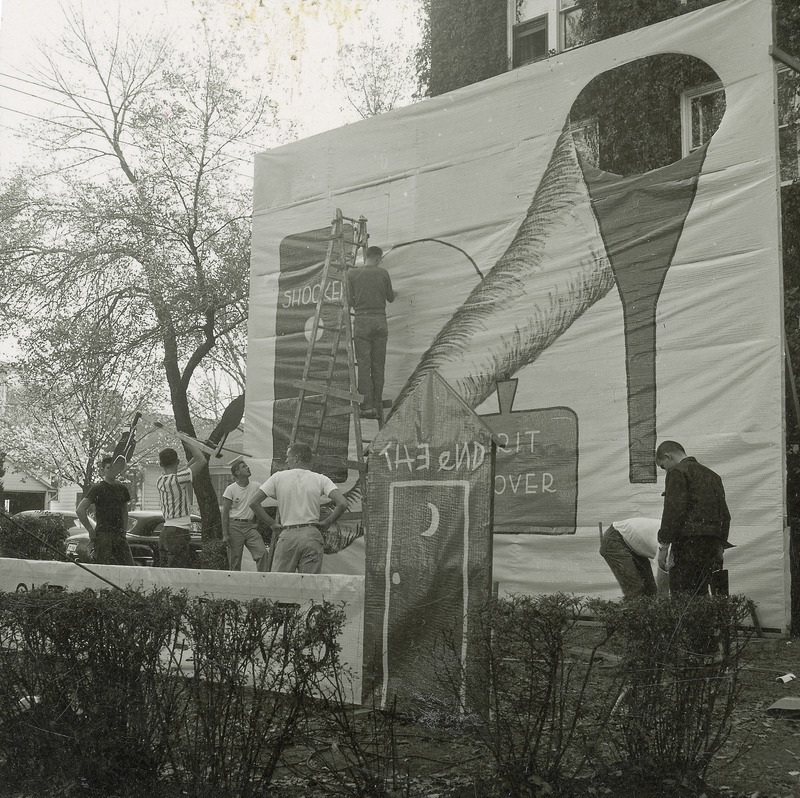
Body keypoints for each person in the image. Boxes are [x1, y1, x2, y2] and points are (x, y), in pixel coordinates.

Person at [248, 442, 348, 574]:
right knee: (309, 584)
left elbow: (253, 502)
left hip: (288, 536)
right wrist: (327, 522)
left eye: (287, 456)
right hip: (311, 535)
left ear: (296, 458)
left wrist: (272, 524)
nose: (286, 460)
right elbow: (342, 503)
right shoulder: (320, 479)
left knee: (281, 583)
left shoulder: (278, 477)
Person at [656, 440, 731, 596]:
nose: (666, 471)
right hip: (711, 545)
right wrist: (720, 546)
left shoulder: (677, 472)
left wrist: (663, 546)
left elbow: (673, 511)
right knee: (702, 594)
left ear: (667, 456)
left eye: (663, 466)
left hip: (687, 544)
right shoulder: (713, 476)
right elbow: (725, 514)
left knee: (682, 594)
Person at [347, 245, 394, 421]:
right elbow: (390, 297)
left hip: (362, 321)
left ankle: (366, 407)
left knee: (364, 366)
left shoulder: (351, 274)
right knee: (378, 367)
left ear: (366, 256)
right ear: (378, 258)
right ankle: (376, 404)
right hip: (380, 321)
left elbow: (350, 301)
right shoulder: (383, 273)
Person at [156, 439, 207, 568]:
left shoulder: (161, 480)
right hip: (178, 532)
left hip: (166, 531)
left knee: (165, 572)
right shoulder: (179, 479)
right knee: (178, 571)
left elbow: (186, 469)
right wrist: (189, 443)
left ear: (161, 464)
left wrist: (199, 449)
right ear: (178, 461)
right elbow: (201, 461)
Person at [76, 455, 135, 566]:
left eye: (113, 468)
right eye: (108, 468)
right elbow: (80, 510)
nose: (111, 471)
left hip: (119, 535)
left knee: (129, 568)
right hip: (103, 534)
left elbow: (124, 511)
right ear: (103, 470)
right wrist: (90, 530)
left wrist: (124, 531)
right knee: (101, 568)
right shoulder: (97, 489)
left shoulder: (122, 489)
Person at [600, 517, 668, 599]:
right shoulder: (670, 545)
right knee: (635, 590)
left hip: (633, 543)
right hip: (615, 538)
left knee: (650, 590)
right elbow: (663, 573)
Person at [221, 460, 269, 572]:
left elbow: (269, 491)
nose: (248, 468)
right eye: (244, 467)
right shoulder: (231, 489)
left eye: (247, 466)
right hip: (234, 527)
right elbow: (225, 513)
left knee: (262, 553)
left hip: (250, 527)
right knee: (235, 560)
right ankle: (234, 586)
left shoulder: (256, 486)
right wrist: (225, 534)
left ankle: (262, 581)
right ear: (237, 472)